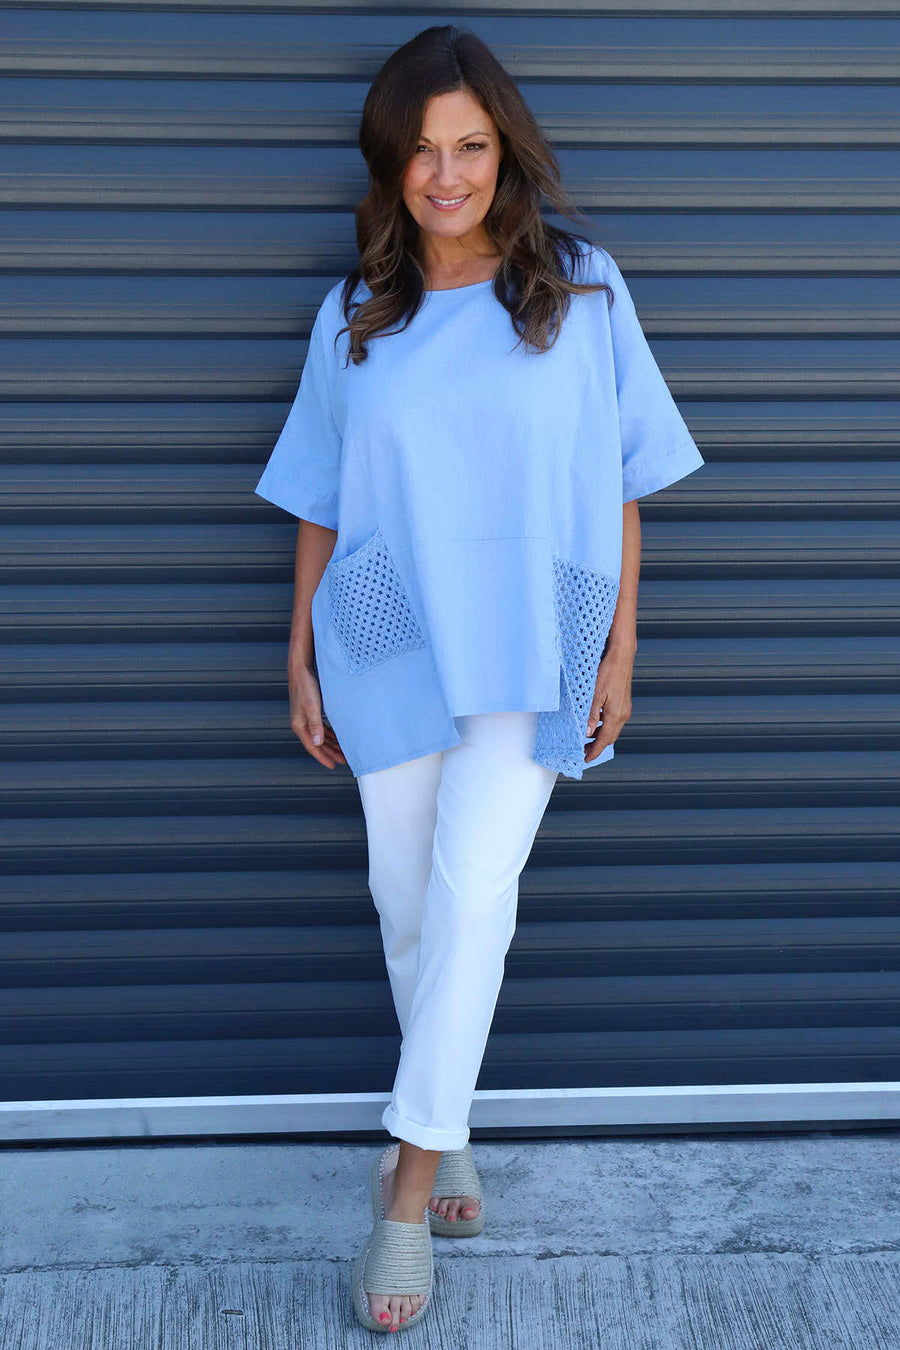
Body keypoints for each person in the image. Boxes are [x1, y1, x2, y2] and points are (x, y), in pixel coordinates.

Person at [254, 24, 705, 1335]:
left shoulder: (585, 292)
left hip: (533, 636)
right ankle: (445, 1126)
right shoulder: (357, 314)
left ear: (505, 150)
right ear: (389, 165)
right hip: (386, 631)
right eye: (421, 151)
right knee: (407, 907)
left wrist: (622, 644)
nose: (446, 175)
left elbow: (622, 479)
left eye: (470, 146)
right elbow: (321, 496)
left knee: (471, 898)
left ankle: (405, 1192)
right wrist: (299, 647)